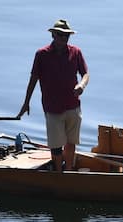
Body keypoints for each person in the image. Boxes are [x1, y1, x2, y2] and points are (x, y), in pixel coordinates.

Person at [19, 19, 90, 172]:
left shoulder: (75, 52)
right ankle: (58, 173)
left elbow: (85, 74)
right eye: (60, 34)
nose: (64, 38)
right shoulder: (42, 54)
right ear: (53, 35)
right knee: (56, 145)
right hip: (52, 107)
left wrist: (81, 85)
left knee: (71, 142)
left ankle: (68, 171)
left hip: (73, 106)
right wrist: (26, 103)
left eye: (66, 35)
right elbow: (33, 79)